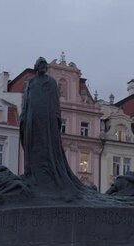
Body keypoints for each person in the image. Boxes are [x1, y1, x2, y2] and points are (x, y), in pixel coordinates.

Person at [19, 57, 86, 194]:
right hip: (32, 119)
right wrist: (23, 116)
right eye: (41, 64)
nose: (43, 66)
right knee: (32, 145)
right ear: (36, 66)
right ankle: (32, 174)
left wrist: (56, 117)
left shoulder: (51, 82)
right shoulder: (30, 82)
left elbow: (55, 102)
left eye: (45, 64)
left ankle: (47, 176)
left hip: (47, 120)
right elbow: (26, 101)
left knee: (47, 146)